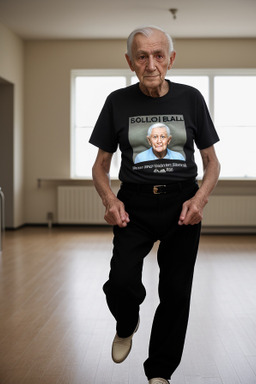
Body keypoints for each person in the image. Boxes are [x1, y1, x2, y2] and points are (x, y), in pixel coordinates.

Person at [90, 25, 220, 384]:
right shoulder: (117, 101)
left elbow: (212, 162)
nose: (151, 64)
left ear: (171, 59)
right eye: (142, 56)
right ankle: (127, 320)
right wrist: (110, 199)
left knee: (176, 293)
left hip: (182, 204)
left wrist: (199, 199)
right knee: (120, 283)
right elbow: (100, 166)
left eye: (159, 55)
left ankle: (160, 372)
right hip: (135, 206)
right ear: (130, 61)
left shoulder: (191, 98)